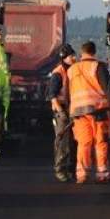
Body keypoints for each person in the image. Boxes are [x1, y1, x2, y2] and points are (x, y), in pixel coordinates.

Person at [66, 40, 110, 184]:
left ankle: (82, 175)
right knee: (101, 141)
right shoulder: (98, 66)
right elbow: (107, 87)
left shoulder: (72, 70)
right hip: (98, 110)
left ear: (82, 53)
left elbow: (68, 92)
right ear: (94, 52)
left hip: (78, 112)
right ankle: (102, 174)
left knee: (83, 143)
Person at [47, 44, 77, 183]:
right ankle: (60, 170)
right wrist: (60, 112)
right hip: (62, 111)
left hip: (72, 110)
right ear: (64, 58)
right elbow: (52, 95)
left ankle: (71, 169)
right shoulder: (58, 73)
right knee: (62, 142)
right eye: (71, 56)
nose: (74, 58)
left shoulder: (73, 70)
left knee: (73, 142)